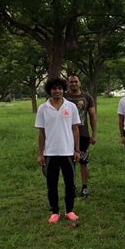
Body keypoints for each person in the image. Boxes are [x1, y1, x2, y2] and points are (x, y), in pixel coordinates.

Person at [35, 77, 81, 223]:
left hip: (67, 152)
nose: (57, 91)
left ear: (63, 90)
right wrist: (40, 153)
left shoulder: (71, 107)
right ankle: (55, 211)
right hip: (50, 153)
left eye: (60, 88)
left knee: (70, 183)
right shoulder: (43, 108)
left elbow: (75, 129)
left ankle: (70, 210)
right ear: (50, 91)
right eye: (54, 89)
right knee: (52, 184)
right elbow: (41, 133)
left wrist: (77, 150)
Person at [65, 74, 97, 198]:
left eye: (76, 81)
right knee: (69, 163)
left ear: (80, 82)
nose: (73, 84)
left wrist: (93, 134)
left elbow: (93, 116)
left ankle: (84, 187)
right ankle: (71, 187)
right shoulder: (64, 97)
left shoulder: (87, 97)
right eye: (71, 82)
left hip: (83, 135)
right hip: (66, 135)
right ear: (68, 83)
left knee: (83, 161)